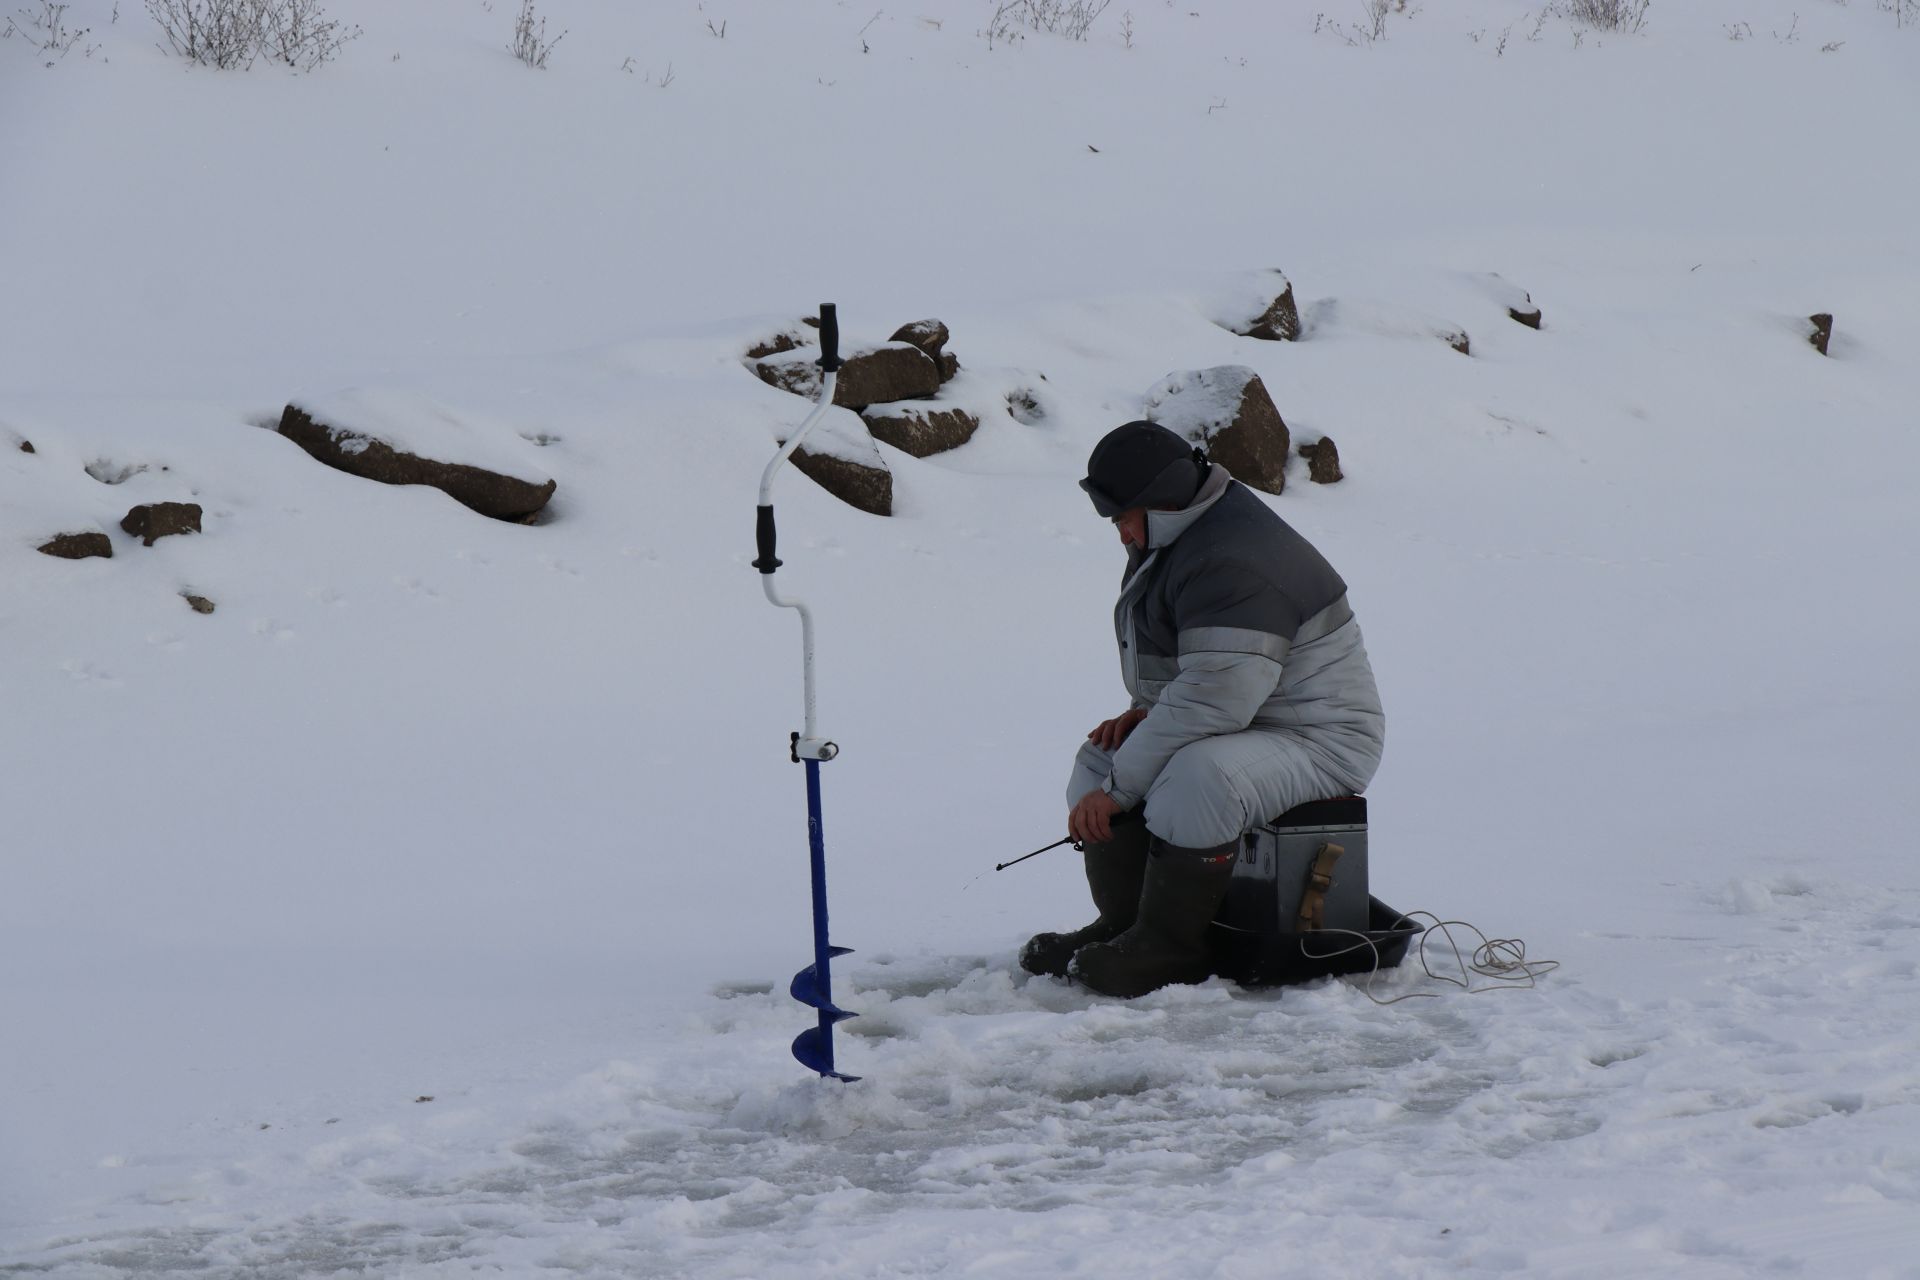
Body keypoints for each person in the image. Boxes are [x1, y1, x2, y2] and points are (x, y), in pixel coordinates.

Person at [1021, 421, 1386, 998]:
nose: (1120, 535)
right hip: (1248, 720)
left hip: (1321, 740)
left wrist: (1118, 794)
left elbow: (1213, 699)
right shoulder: (1179, 537)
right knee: (1102, 757)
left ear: (1160, 504)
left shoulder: (1236, 560)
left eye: (1121, 518)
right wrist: (1141, 714)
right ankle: (1126, 926)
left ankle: (1171, 947)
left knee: (1199, 778)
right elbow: (1193, 674)